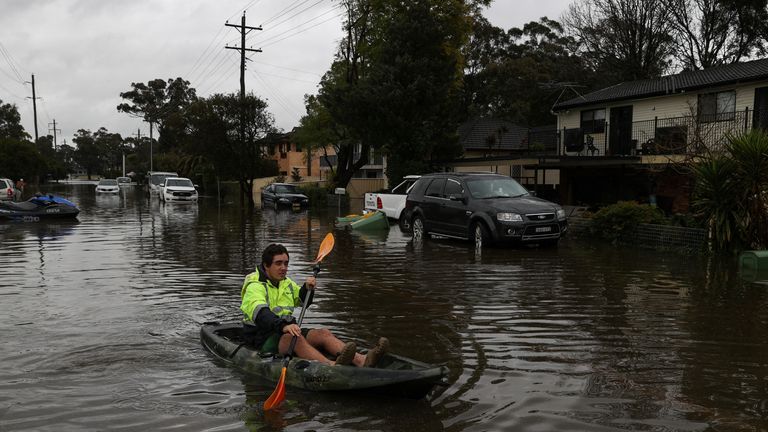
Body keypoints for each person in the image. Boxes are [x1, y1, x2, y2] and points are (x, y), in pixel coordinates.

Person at [240, 243, 388, 367]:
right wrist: (284, 326)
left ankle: (362, 360)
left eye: (286, 263)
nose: (284, 268)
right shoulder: (255, 285)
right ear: (266, 265)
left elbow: (302, 301)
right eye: (278, 263)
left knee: (322, 333)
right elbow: (261, 314)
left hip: (283, 331)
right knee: (293, 338)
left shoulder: (285, 283)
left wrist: (307, 289)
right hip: (261, 339)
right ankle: (331, 366)